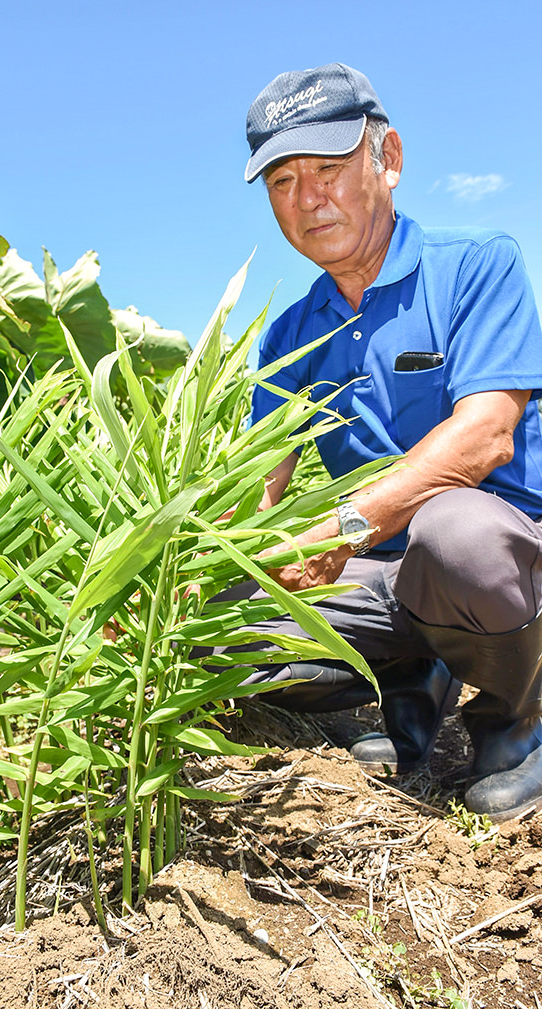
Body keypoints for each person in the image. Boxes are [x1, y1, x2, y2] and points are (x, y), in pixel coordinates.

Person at [227, 62, 542, 823]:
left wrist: (344, 525)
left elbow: (486, 436)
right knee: (219, 626)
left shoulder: (475, 263)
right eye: (283, 182)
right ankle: (410, 681)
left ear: (388, 160)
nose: (309, 199)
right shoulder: (289, 334)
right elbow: (256, 485)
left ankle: (519, 719)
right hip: (387, 573)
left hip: (502, 558)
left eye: (329, 169)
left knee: (455, 530)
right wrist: (176, 576)